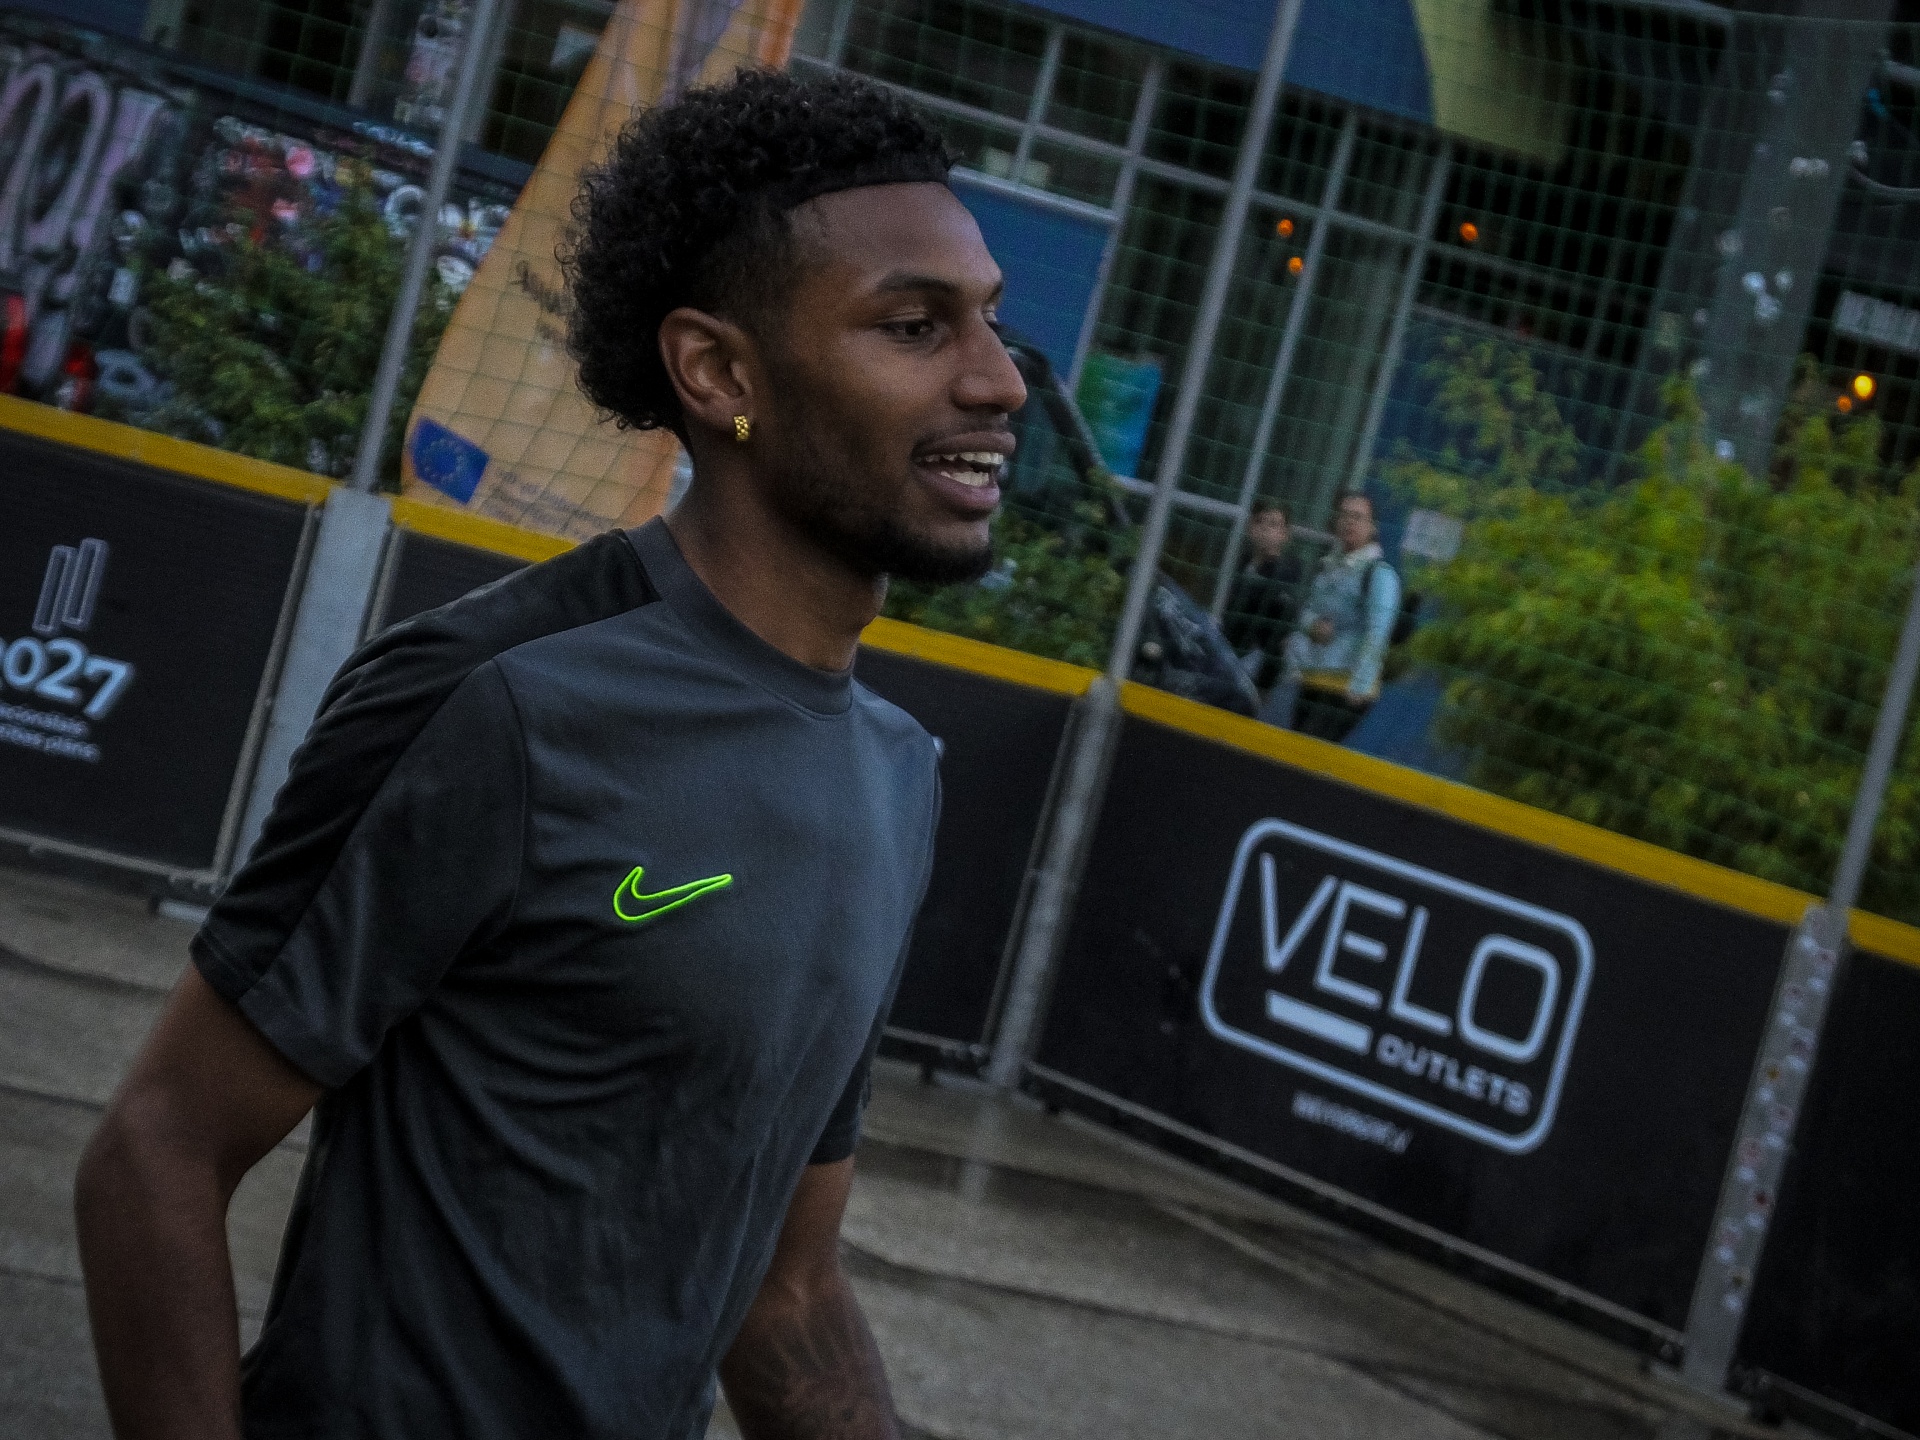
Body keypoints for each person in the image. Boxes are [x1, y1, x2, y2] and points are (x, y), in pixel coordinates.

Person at [73, 69, 1024, 1440]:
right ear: (720, 374)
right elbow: (156, 1152)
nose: (998, 379)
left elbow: (787, 1287)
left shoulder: (898, 775)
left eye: (989, 319)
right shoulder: (497, 695)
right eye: (915, 326)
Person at [1261, 491, 1400, 742]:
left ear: (1372, 526)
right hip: (1313, 676)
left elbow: (1378, 632)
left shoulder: (1379, 575)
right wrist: (1312, 625)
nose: (1349, 522)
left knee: (1311, 749)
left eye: (1357, 517)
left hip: (1346, 684)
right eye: (1344, 515)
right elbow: (1305, 610)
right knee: (1295, 747)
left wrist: (1360, 685)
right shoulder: (1327, 566)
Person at [1222, 500, 1304, 689]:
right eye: (1260, 521)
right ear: (1250, 527)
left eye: (1273, 524)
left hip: (1262, 661)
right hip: (1231, 647)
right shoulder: (1241, 561)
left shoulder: (1289, 568)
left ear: (1285, 534)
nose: (1265, 529)